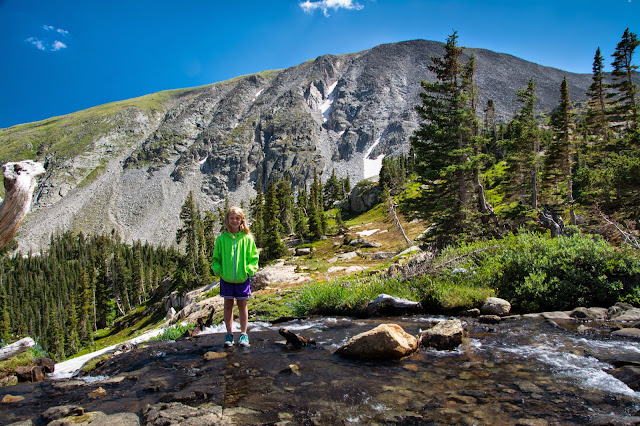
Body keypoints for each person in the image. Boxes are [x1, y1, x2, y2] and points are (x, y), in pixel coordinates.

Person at [211, 206, 259, 347]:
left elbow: (254, 257)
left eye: (237, 218)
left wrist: (249, 271)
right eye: (231, 218)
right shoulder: (221, 239)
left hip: (242, 279)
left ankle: (244, 334)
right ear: (227, 220)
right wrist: (219, 271)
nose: (234, 220)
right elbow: (216, 258)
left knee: (242, 306)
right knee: (228, 306)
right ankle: (229, 334)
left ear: (241, 220)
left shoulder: (247, 238)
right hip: (226, 279)